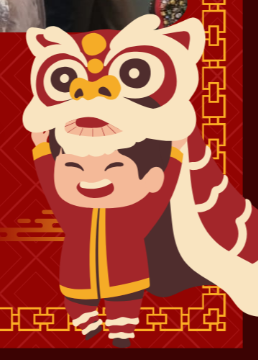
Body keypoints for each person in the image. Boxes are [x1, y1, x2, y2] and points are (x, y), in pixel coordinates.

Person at [30, 129, 186, 349]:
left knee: (125, 306)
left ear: (151, 179)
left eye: (114, 166)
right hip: (76, 273)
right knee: (75, 304)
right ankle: (89, 325)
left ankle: (121, 333)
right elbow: (49, 182)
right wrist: (41, 146)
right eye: (73, 166)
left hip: (127, 273)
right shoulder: (69, 210)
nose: (91, 179)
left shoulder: (139, 213)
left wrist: (176, 151)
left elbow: (163, 192)